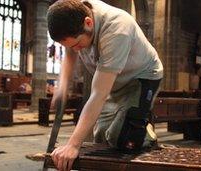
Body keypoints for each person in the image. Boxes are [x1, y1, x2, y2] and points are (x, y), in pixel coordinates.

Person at [47, 0, 163, 170]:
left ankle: (144, 131)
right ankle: (132, 121)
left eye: (78, 44)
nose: (77, 50)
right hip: (115, 81)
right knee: (101, 136)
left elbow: (98, 94)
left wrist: (72, 145)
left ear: (88, 22)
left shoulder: (117, 28)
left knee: (122, 138)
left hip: (143, 78)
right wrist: (63, 85)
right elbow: (70, 51)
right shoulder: (74, 15)